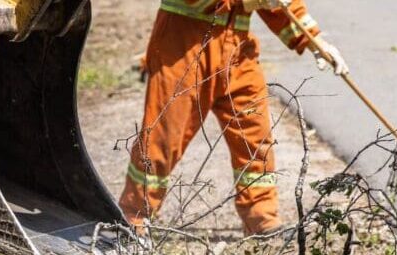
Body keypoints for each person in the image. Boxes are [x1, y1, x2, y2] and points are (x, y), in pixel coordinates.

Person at [119, 0, 348, 235]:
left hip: (236, 49)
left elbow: (281, 3)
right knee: (164, 138)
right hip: (183, 47)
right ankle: (133, 216)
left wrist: (314, 40)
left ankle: (261, 218)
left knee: (255, 134)